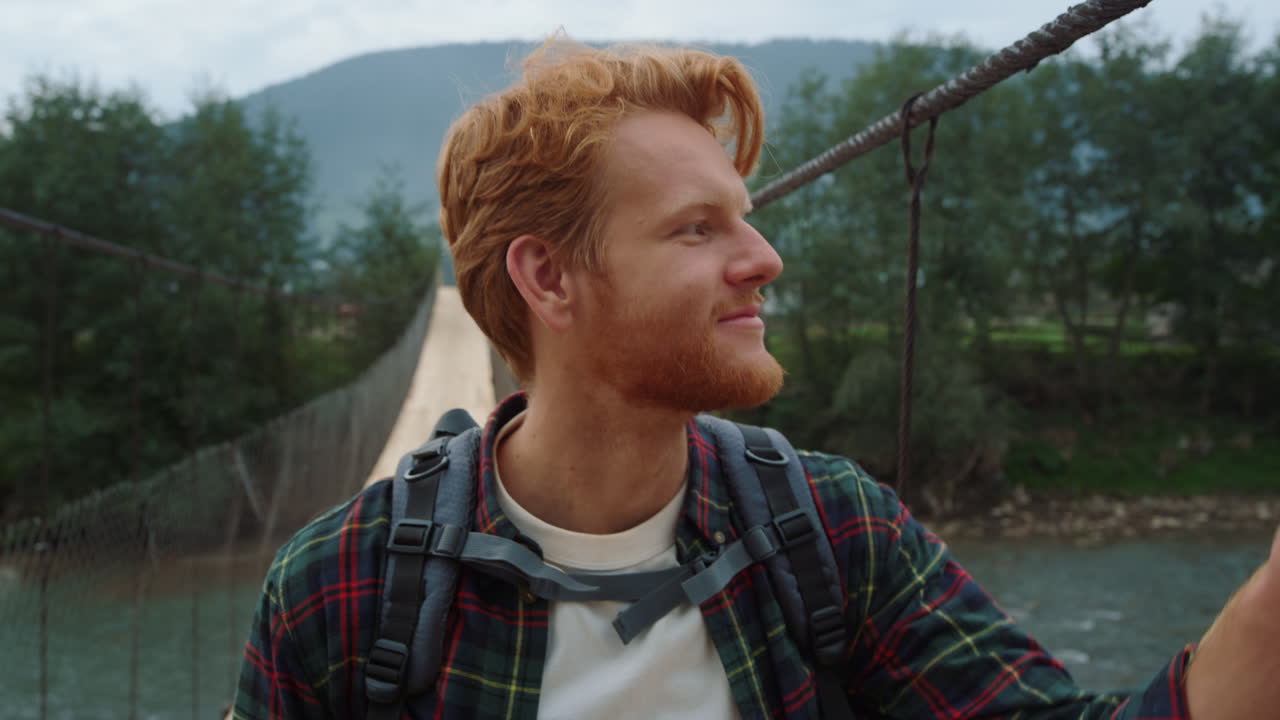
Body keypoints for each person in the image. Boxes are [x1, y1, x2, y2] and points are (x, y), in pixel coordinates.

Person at [233, 35, 1280, 719]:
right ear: (547, 276)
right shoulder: (344, 593)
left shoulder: (826, 532)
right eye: (697, 229)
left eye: (746, 215)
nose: (765, 259)